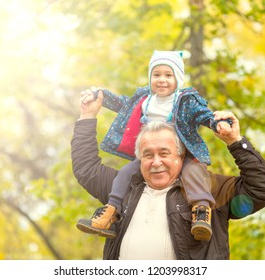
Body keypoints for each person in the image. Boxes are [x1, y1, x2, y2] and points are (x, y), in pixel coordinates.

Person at [71, 93, 265, 260]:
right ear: (138, 159)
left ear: (181, 156)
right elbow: (86, 168)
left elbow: (263, 188)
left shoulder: (210, 190)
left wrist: (235, 142)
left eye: (164, 153)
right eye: (147, 155)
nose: (156, 162)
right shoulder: (123, 188)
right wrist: (87, 116)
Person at [76, 50, 232, 241]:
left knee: (194, 173)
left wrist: (217, 123)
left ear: (178, 78)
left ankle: (201, 211)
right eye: (156, 75)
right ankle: (111, 212)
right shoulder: (145, 100)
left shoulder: (185, 100)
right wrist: (99, 94)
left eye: (168, 75)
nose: (161, 80)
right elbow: (121, 103)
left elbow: (203, 114)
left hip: (181, 152)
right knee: (125, 173)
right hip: (152, 152)